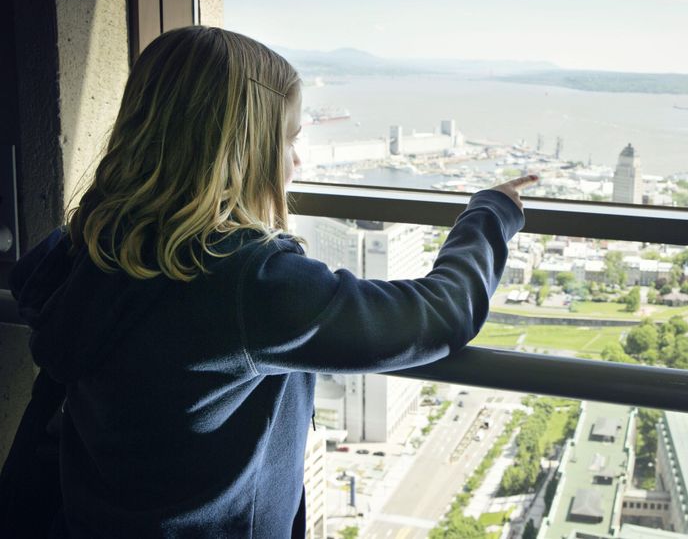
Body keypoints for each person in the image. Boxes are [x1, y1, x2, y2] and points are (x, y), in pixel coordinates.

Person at [5, 26, 537, 537]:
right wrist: (490, 213)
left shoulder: (89, 247)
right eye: (287, 140)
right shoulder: (245, 282)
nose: (297, 161)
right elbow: (439, 316)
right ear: (243, 149)